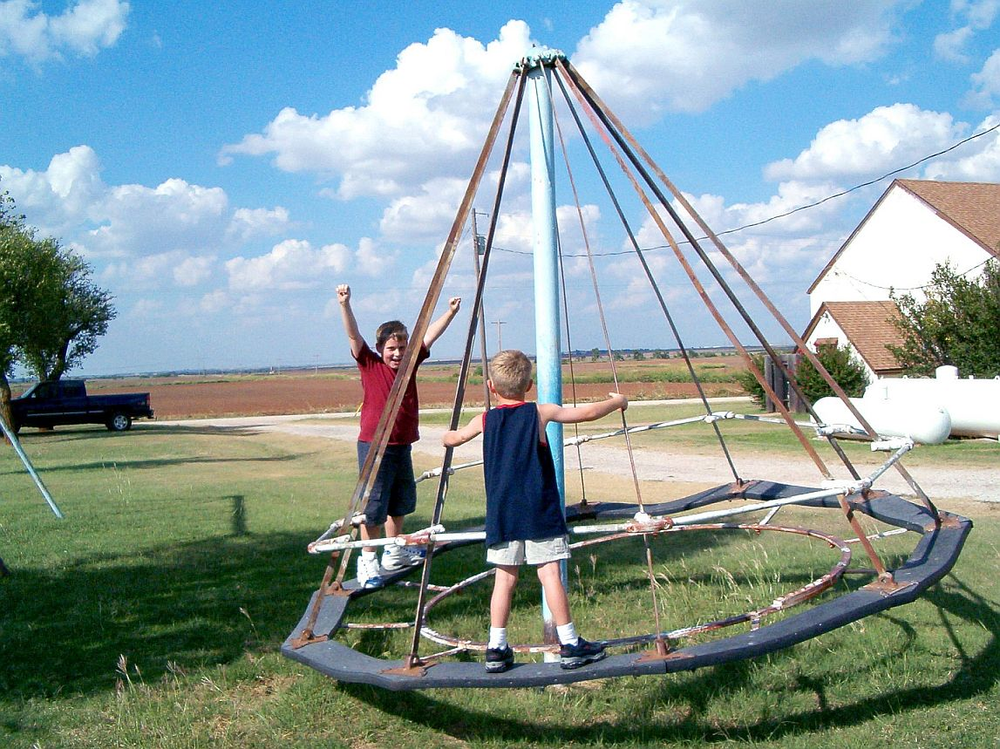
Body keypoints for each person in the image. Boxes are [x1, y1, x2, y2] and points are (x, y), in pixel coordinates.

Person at [442, 349, 627, 672]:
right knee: (549, 574)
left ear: (491, 386)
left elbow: (455, 438)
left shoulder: (484, 419)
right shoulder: (540, 413)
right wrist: (617, 402)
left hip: (502, 513)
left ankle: (497, 646)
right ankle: (569, 642)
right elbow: (586, 414)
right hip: (539, 510)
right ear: (529, 386)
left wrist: (447, 437)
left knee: (504, 579)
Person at [338, 283, 461, 589]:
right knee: (374, 507)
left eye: (402, 348)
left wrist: (450, 312)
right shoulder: (369, 364)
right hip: (374, 446)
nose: (397, 354)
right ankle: (367, 561)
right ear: (380, 350)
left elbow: (428, 335)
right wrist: (345, 304)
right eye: (391, 349)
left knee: (400, 503)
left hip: (401, 444)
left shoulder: (410, 365)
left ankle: (394, 551)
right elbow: (354, 336)